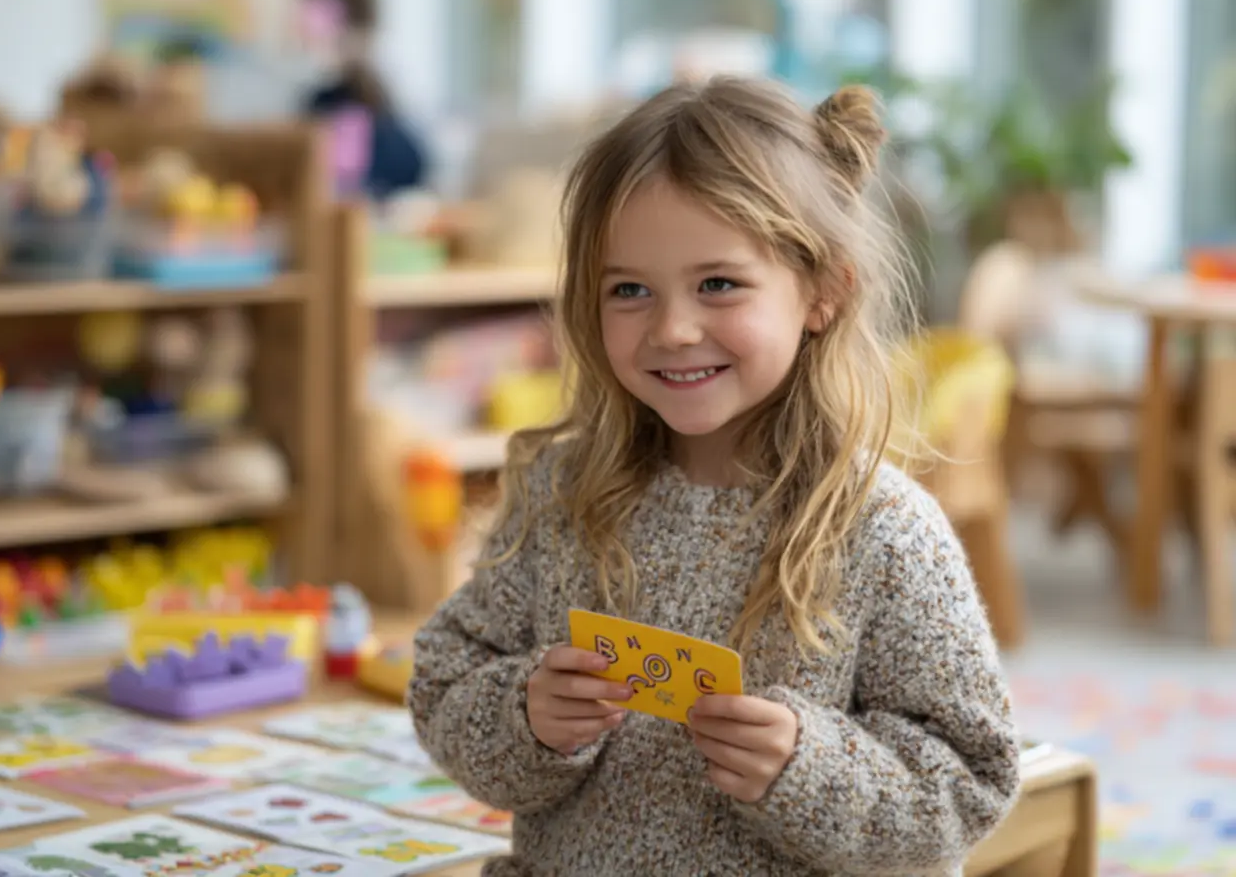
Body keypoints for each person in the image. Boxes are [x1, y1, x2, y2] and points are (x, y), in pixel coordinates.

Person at [407, 76, 1021, 876]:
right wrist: (527, 716)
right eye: (630, 290)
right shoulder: (561, 492)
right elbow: (444, 681)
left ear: (824, 292)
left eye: (718, 284)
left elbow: (969, 786)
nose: (672, 328)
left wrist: (809, 769)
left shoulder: (887, 532)